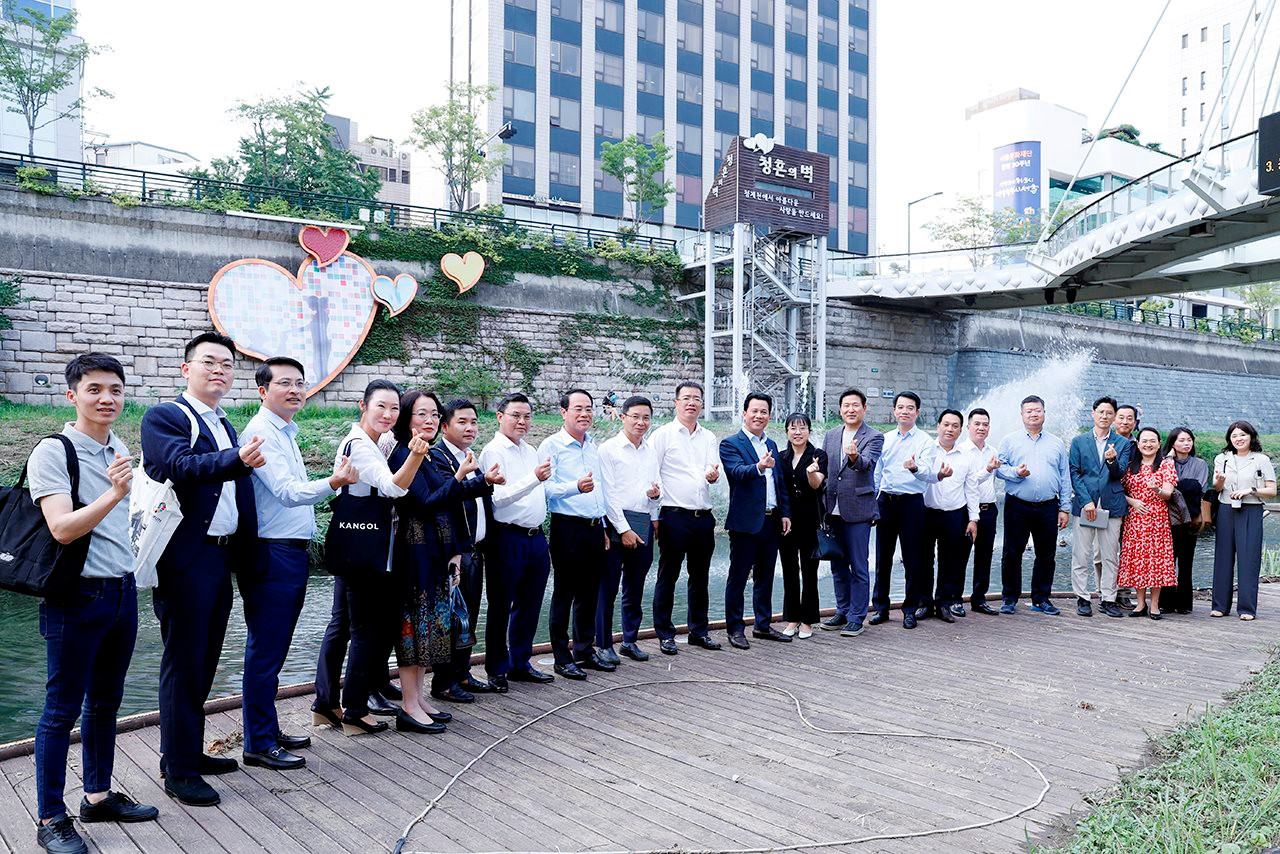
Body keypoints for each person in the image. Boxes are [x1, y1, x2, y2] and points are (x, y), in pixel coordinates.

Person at [28, 354, 159, 854]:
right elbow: (62, 529)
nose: (107, 399)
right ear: (72, 395)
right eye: (95, 389)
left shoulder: (116, 446)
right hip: (76, 596)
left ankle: (98, 796)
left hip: (121, 592)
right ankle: (50, 817)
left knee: (105, 703)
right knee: (61, 710)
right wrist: (114, 491)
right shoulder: (52, 452)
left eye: (116, 390)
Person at [140, 332, 263, 806]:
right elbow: (177, 466)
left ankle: (183, 752)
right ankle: (180, 771)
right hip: (186, 559)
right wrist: (237, 458)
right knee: (184, 662)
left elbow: (235, 494)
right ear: (185, 368)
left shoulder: (224, 422)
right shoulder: (166, 416)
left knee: (206, 659)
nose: (219, 371)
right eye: (209, 362)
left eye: (228, 365)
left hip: (219, 557)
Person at [241, 357, 359, 771]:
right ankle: (258, 742)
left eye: (300, 383)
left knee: (275, 646)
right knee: (266, 649)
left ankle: (266, 730)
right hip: (272, 551)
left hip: (288, 551)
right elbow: (288, 492)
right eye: (284, 383)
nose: (295, 390)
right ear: (262, 390)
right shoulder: (261, 432)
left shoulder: (284, 431)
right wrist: (334, 483)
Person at [313, 380, 429, 737]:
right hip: (364, 552)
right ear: (362, 405)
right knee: (366, 630)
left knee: (343, 625)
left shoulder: (371, 441)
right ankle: (356, 711)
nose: (389, 414)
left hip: (352, 548)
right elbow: (394, 486)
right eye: (381, 406)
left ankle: (326, 703)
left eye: (394, 408)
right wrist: (416, 455)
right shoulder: (361, 446)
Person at [387, 390, 467, 732]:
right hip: (413, 552)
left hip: (434, 552)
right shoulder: (404, 454)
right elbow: (425, 503)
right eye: (422, 415)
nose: (430, 421)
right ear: (407, 419)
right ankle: (407, 705)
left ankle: (417, 698)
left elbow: (448, 502)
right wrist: (463, 478)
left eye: (434, 415)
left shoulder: (430, 456)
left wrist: (455, 554)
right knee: (412, 627)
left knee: (429, 625)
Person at [478, 392, 555, 689]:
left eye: (527, 416)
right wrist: (534, 478)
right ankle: (497, 668)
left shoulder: (530, 449)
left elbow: (537, 492)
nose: (522, 422)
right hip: (506, 536)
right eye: (515, 416)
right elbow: (498, 499)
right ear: (500, 417)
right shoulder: (493, 452)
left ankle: (520, 662)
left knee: (530, 603)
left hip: (536, 536)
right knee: (500, 604)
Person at [430, 399, 504, 702]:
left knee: (468, 614)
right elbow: (447, 500)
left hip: (476, 549)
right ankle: (443, 682)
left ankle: (461, 673)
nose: (470, 427)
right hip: (455, 552)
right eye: (462, 421)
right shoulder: (438, 459)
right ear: (445, 426)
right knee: (452, 617)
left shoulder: (469, 456)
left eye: (473, 421)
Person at [539, 389, 613, 680]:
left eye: (589, 409)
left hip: (595, 527)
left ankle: (584, 649)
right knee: (565, 593)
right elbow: (543, 487)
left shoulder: (593, 445)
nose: (585, 414)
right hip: (567, 526)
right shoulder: (551, 445)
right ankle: (561, 657)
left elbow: (601, 492)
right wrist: (574, 487)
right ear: (563, 411)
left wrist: (605, 526)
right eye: (578, 409)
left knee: (590, 592)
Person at [650, 381, 724, 655]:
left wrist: (712, 476)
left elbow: (711, 468)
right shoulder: (663, 435)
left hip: (702, 517)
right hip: (673, 515)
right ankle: (665, 633)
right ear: (676, 402)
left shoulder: (708, 437)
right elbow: (651, 473)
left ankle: (698, 631)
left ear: (702, 405)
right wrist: (654, 515)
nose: (692, 403)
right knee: (668, 575)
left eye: (697, 399)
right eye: (687, 398)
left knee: (700, 576)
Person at [871, 391, 949, 630]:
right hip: (886, 501)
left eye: (910, 408)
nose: (905, 412)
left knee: (912, 559)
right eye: (901, 407)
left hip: (912, 503)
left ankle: (909, 610)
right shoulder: (884, 439)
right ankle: (880, 608)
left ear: (917, 412)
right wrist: (874, 502)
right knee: (882, 558)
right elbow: (877, 473)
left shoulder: (925, 441)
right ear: (894, 411)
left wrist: (914, 468)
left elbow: (928, 473)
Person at [720, 393, 793, 649]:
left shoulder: (771, 443)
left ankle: (762, 625)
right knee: (738, 577)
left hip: (771, 521)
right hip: (745, 522)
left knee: (765, 576)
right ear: (744, 413)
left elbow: (779, 483)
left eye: (764, 412)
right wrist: (759, 467)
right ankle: (735, 628)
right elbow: (737, 472)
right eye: (754, 411)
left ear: (769, 416)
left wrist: (785, 513)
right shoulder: (731, 444)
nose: (759, 416)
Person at [597, 395, 662, 662]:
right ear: (622, 417)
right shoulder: (608, 449)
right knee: (608, 588)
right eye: (635, 416)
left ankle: (629, 640)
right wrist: (623, 529)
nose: (641, 422)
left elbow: (656, 488)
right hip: (616, 524)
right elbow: (607, 495)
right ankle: (603, 644)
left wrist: (655, 497)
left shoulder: (651, 451)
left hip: (643, 521)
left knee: (635, 587)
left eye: (646, 417)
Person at [995, 395, 1070, 616]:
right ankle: (1009, 598)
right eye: (1029, 411)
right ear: (1022, 414)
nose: (1033, 414)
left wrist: (1065, 508)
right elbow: (999, 469)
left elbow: (1064, 477)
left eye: (1037, 410)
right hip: (1018, 505)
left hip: (1048, 506)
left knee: (1046, 554)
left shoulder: (1056, 443)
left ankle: (1041, 598)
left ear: (1044, 413)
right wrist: (1016, 473)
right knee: (1011, 553)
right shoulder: (1009, 441)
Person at [819, 388, 883, 636]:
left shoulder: (874, 436)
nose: (851, 409)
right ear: (840, 409)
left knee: (858, 565)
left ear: (864, 408)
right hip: (831, 509)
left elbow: (867, 464)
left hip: (858, 511)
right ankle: (842, 610)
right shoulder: (831, 435)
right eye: (846, 405)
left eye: (856, 405)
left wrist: (855, 457)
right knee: (837, 564)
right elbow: (826, 469)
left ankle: (857, 616)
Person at [1067, 396, 1131, 619]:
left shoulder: (1123, 444)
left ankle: (1108, 598)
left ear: (1114, 417)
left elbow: (1120, 474)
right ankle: (1082, 598)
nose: (1104, 416)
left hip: (1112, 505)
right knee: (1081, 553)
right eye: (1101, 412)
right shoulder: (1078, 441)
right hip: (1085, 504)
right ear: (1093, 414)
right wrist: (1085, 500)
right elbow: (1074, 472)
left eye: (1109, 413)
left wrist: (1112, 461)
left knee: (1110, 555)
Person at [1209, 420, 1277, 620]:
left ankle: (1247, 608)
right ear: (1229, 439)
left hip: (1251, 509)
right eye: (1234, 436)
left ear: (1251, 436)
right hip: (1226, 508)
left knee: (1249, 558)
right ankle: (1220, 605)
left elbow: (1272, 491)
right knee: (1223, 557)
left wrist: (1251, 490)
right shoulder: (1222, 458)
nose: (1238, 439)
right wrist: (1219, 483)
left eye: (1243, 435)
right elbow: (1217, 488)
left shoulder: (1261, 460)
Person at [920, 410, 976, 623]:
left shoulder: (966, 456)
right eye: (946, 424)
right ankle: (924, 603)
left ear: (961, 430)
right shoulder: (927, 450)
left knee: (949, 561)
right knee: (924, 559)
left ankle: (943, 604)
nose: (950, 429)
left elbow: (971, 490)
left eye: (955, 426)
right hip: (927, 512)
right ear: (938, 426)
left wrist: (973, 519)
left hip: (955, 514)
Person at [1118, 427, 1177, 620]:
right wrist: (1132, 501)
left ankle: (1155, 605)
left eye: (1152, 441)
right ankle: (1140, 603)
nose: (1148, 444)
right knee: (1137, 561)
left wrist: (1157, 489)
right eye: (1144, 440)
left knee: (1156, 562)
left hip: (1157, 520)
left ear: (1159, 443)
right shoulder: (1129, 465)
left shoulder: (1166, 465)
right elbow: (1118, 490)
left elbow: (1168, 493)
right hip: (1134, 519)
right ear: (1138, 443)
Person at [778, 412, 827, 638]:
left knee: (809, 571)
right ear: (787, 431)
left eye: (802, 428)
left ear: (809, 430)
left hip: (809, 521)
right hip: (786, 521)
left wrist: (811, 473)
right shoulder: (781, 457)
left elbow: (817, 485)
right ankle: (792, 618)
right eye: (793, 428)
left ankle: (807, 621)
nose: (797, 432)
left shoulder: (818, 455)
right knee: (789, 570)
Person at [958, 409, 1001, 615]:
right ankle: (955, 598)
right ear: (968, 427)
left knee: (984, 556)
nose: (981, 428)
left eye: (985, 424)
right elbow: (969, 481)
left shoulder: (992, 450)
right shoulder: (960, 451)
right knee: (961, 555)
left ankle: (979, 598)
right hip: (967, 511)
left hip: (989, 509)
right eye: (977, 424)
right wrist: (987, 470)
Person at [1161, 427, 1208, 614]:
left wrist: (1173, 487)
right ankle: (1165, 602)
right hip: (1166, 520)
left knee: (1186, 562)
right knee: (1167, 561)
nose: (1186, 443)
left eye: (1189, 440)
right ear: (1172, 443)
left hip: (1190, 519)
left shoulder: (1200, 464)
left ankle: (1184, 604)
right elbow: (1167, 489)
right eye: (1181, 440)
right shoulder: (1164, 462)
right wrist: (1169, 461)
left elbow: (1198, 488)